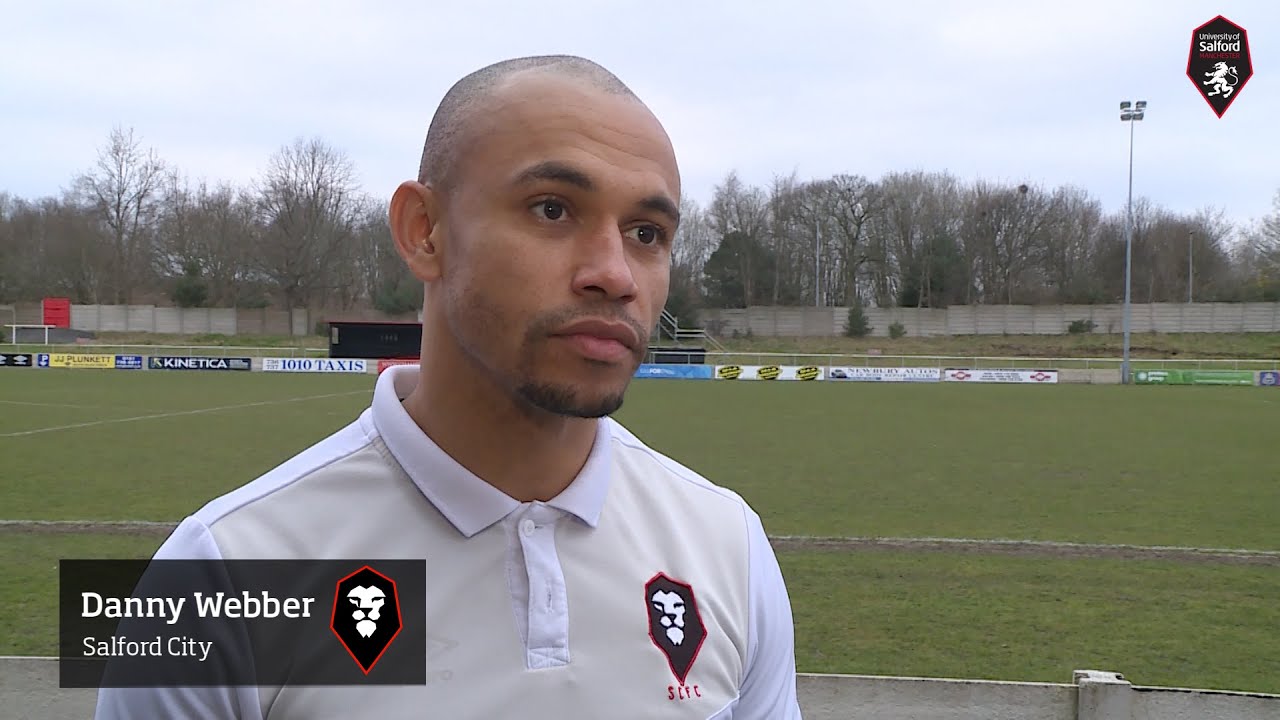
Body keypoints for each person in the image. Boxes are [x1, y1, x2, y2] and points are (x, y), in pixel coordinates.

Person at [95, 54, 802, 719]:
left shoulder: (728, 547)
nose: (615, 273)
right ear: (423, 231)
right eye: (553, 209)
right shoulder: (220, 572)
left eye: (647, 233)